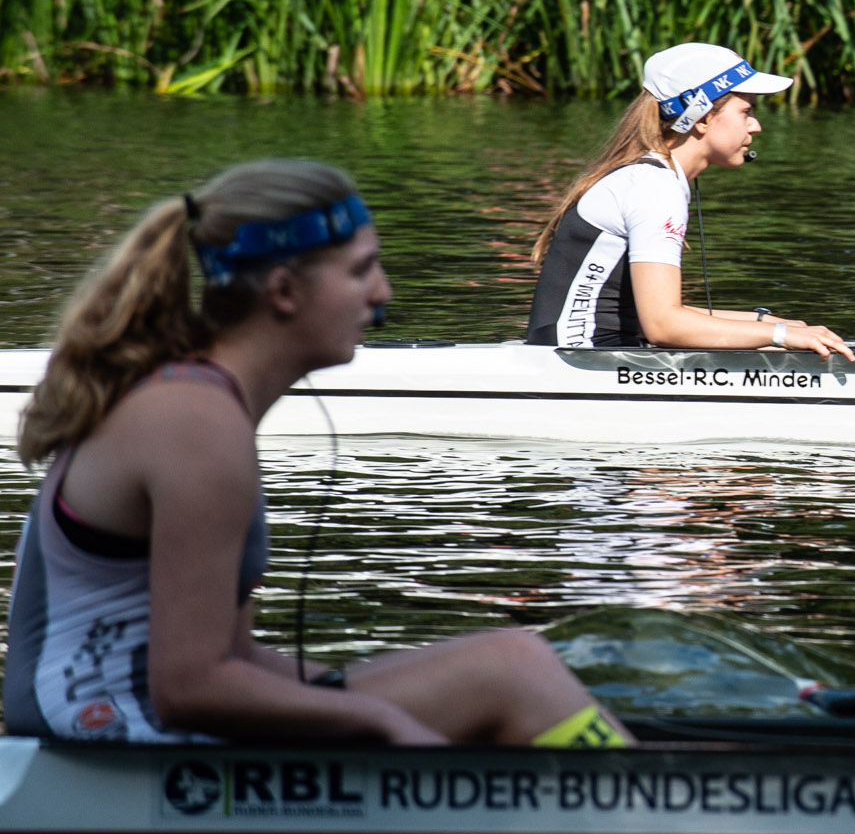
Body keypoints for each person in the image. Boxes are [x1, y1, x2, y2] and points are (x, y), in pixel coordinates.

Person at [9, 161, 632, 748]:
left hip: (132, 716)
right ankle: (657, 816)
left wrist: (383, 700)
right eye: (361, 270)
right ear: (284, 292)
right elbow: (190, 687)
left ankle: (637, 801)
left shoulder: (198, 397)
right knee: (509, 672)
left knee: (507, 662)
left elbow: (235, 654)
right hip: (102, 735)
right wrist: (383, 722)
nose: (382, 294)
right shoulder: (195, 424)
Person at [528, 42, 853, 356]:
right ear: (701, 117)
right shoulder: (654, 186)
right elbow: (663, 326)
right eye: (746, 111)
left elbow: (634, 312)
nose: (756, 126)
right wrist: (780, 336)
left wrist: (765, 322)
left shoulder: (650, 176)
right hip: (584, 363)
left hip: (590, 352)